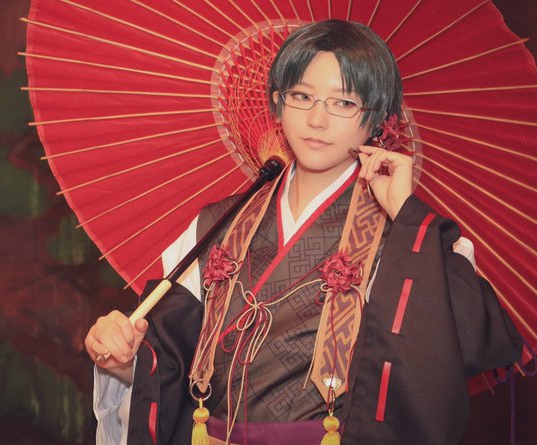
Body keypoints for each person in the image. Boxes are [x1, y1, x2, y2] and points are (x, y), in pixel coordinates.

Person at [84, 20, 522, 445]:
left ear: (378, 119)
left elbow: (481, 342)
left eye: (344, 103)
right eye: (301, 96)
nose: (317, 119)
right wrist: (121, 359)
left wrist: (405, 214)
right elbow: (167, 364)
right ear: (277, 103)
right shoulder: (219, 223)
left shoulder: (406, 237)